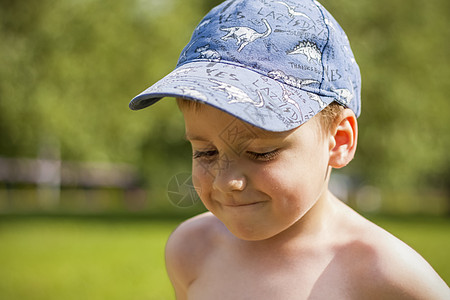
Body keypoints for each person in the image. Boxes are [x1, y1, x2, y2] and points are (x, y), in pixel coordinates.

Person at [129, 0, 450, 298]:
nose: (226, 181)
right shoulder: (190, 251)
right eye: (205, 152)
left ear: (338, 141)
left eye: (260, 153)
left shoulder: (386, 275)